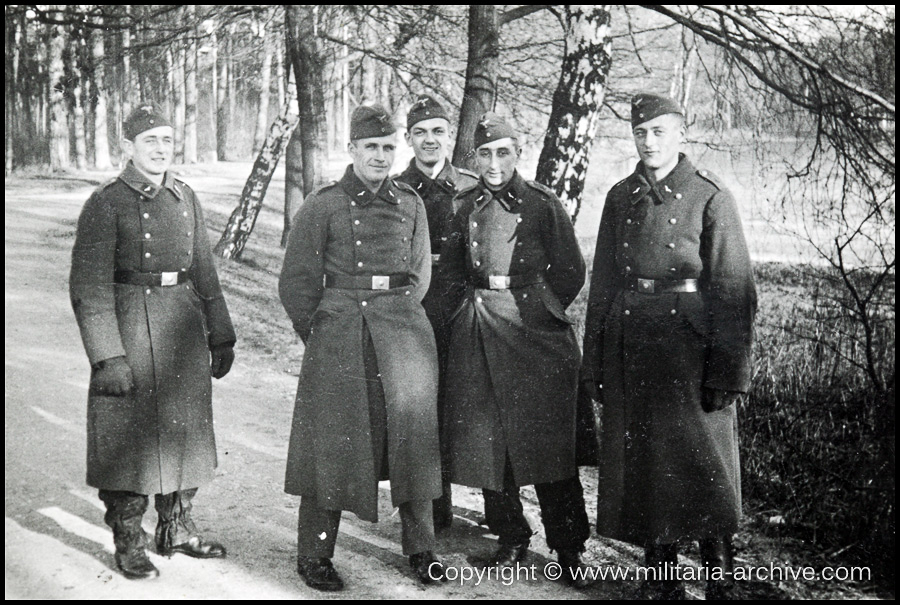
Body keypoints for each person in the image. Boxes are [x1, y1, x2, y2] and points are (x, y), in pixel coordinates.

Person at [580, 92, 757, 600]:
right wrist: (594, 360)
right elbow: (605, 283)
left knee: (704, 461)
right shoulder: (620, 196)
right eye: (641, 133)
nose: (649, 141)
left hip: (691, 348)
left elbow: (734, 288)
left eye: (659, 131)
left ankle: (719, 576)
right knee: (647, 463)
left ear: (681, 133)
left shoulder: (711, 196)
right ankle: (662, 578)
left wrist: (729, 369)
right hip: (632, 339)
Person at [279, 104, 446, 591]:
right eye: (370, 146)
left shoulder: (411, 202)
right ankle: (314, 554)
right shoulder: (324, 204)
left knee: (414, 441)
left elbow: (419, 275)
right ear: (351, 148)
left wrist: (397, 319)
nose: (379, 155)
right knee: (332, 442)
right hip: (341, 331)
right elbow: (297, 284)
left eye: (388, 147)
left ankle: (422, 550)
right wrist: (325, 331)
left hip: (403, 331)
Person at [69, 105, 236, 580]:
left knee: (186, 433)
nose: (161, 150)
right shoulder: (106, 203)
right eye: (150, 142)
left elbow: (204, 268)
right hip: (130, 326)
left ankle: (177, 528)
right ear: (129, 146)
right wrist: (107, 356)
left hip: (182, 324)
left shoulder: (184, 196)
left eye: (166, 140)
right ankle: (129, 541)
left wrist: (221, 332)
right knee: (128, 438)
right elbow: (89, 287)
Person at [440, 112, 595, 588]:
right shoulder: (462, 204)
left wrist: (541, 310)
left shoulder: (542, 203)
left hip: (534, 333)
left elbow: (570, 271)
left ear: (517, 154)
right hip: (480, 323)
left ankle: (569, 548)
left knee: (550, 446)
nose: (493, 163)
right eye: (484, 153)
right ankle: (510, 536)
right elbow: (452, 267)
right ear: (474, 158)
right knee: (490, 442)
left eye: (502, 152)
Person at [394, 94, 478, 531]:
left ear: (450, 137)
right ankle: (431, 507)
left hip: (462, 307)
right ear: (409, 139)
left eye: (438, 132)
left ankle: (459, 499)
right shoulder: (395, 189)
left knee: (462, 405)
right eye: (420, 133)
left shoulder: (471, 186)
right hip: (415, 307)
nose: (430, 141)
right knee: (420, 406)